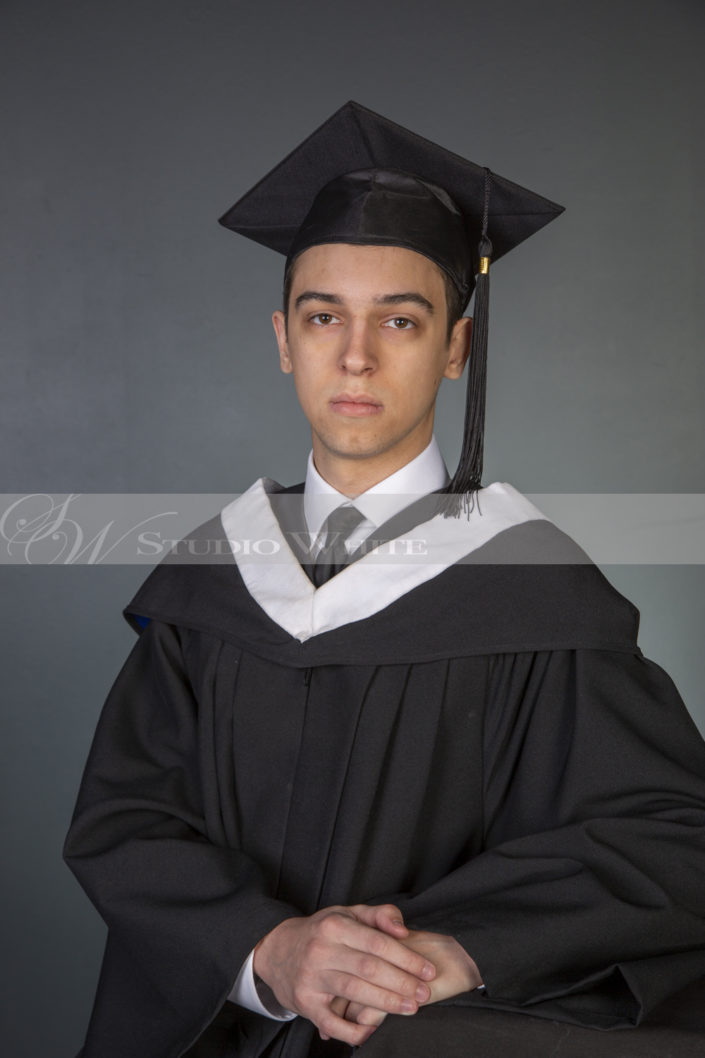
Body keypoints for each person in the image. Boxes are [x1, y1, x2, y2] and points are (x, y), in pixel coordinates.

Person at [64, 102, 705, 1058]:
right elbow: (124, 821)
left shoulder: (534, 588)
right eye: (323, 317)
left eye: (399, 320)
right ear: (284, 339)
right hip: (221, 1031)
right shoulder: (212, 579)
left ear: (455, 349)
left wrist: (462, 951)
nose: (355, 356)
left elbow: (667, 835)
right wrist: (266, 949)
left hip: (420, 1034)